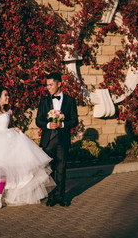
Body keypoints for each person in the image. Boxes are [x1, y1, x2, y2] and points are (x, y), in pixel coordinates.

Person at [36, 72, 79, 207]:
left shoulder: (70, 100)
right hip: (48, 140)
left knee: (61, 169)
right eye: (47, 85)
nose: (48, 87)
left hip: (62, 140)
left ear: (59, 84)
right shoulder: (44, 101)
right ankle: (51, 197)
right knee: (49, 170)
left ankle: (61, 197)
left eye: (51, 84)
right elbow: (38, 120)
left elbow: (75, 120)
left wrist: (63, 124)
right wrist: (48, 125)